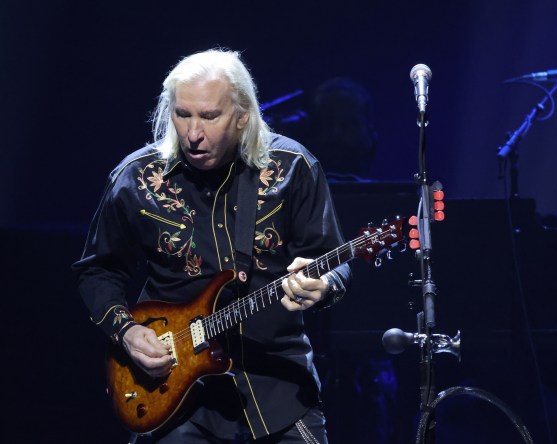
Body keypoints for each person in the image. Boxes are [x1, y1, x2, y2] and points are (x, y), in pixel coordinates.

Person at [73, 48, 351, 444]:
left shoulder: (293, 168)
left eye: (209, 116)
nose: (193, 132)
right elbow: (97, 269)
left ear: (242, 116)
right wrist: (128, 332)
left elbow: (334, 262)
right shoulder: (136, 178)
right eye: (182, 114)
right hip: (172, 391)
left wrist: (324, 286)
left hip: (276, 388)